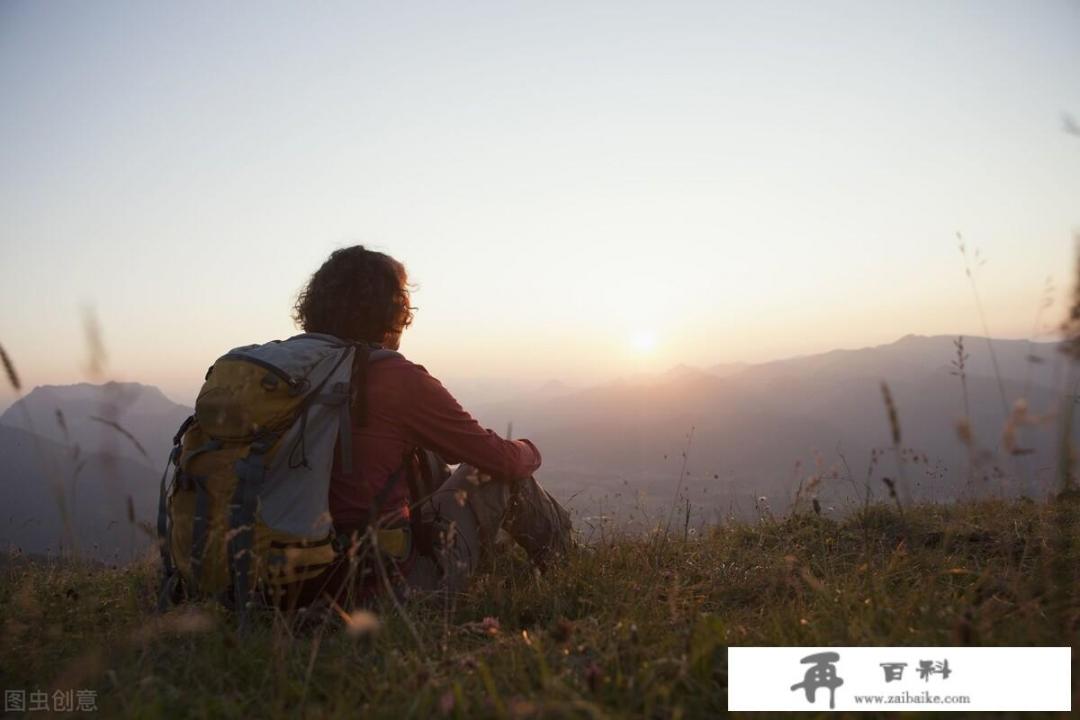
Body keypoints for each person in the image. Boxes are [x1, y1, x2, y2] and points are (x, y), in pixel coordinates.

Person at [289, 245, 572, 608]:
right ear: (393, 310)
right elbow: (499, 460)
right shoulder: (393, 376)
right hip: (378, 591)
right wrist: (529, 450)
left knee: (429, 461)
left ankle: (505, 568)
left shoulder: (284, 375)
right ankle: (572, 578)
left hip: (280, 586)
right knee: (492, 476)